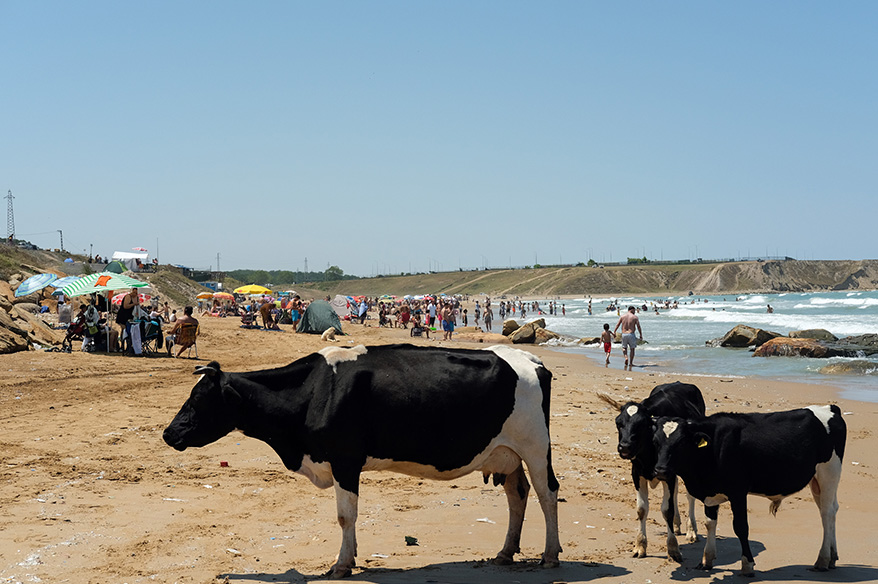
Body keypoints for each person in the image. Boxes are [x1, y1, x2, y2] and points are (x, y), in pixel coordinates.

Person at [613, 306, 643, 371]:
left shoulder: (622, 316)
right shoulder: (635, 317)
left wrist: (614, 331)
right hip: (631, 334)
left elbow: (617, 325)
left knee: (624, 347)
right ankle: (631, 363)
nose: (635, 312)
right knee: (632, 349)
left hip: (624, 334)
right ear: (631, 310)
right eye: (634, 310)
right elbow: (638, 327)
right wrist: (641, 335)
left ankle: (626, 357)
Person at [116, 288, 140, 353]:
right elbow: (125, 306)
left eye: (136, 293)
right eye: (134, 292)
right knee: (124, 330)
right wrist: (133, 304)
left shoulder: (137, 298)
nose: (135, 294)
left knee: (130, 330)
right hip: (123, 316)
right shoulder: (128, 297)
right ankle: (122, 346)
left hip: (130, 316)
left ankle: (129, 346)